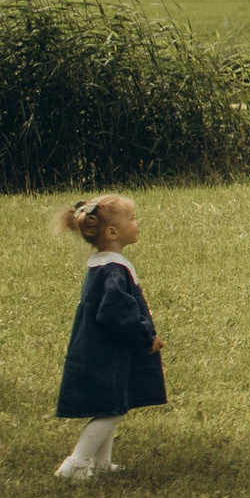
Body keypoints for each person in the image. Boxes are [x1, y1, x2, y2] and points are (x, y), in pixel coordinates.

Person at [51, 194, 166, 479]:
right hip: (108, 354)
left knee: (110, 405)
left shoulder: (102, 264)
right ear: (112, 232)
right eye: (132, 219)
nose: (137, 223)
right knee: (112, 409)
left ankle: (101, 464)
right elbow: (117, 311)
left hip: (97, 348)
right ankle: (76, 463)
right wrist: (145, 335)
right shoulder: (114, 270)